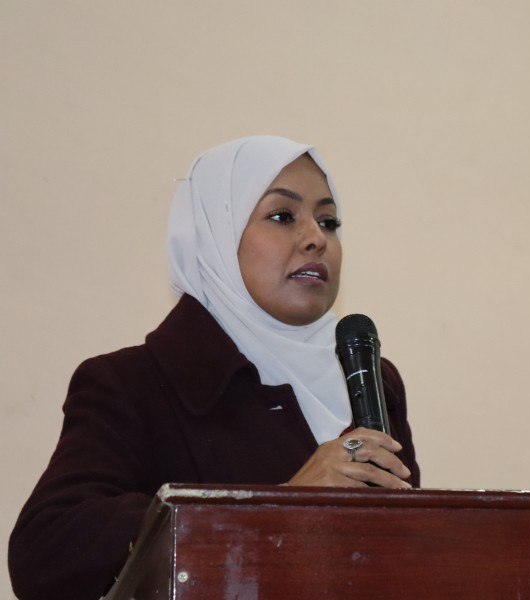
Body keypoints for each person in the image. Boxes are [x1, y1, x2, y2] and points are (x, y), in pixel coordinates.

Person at [8, 136, 419, 600]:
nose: (316, 238)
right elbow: (45, 549)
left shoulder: (372, 379)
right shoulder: (133, 384)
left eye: (329, 221)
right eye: (282, 216)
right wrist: (273, 509)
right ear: (215, 235)